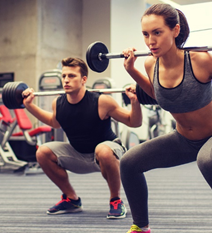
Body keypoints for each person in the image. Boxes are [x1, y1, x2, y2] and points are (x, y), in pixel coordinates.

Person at [110, 4, 212, 233]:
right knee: (129, 162)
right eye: (146, 34)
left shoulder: (201, 60)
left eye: (157, 33)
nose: (150, 41)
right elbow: (158, 96)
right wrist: (131, 70)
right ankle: (141, 230)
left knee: (209, 161)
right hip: (184, 139)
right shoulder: (151, 64)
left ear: (175, 30)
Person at [21, 57, 142, 219]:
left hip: (108, 153)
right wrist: (29, 106)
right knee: (42, 152)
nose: (66, 80)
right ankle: (71, 199)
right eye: (64, 76)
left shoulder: (102, 101)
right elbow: (54, 122)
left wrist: (135, 102)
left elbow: (134, 122)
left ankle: (116, 200)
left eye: (71, 76)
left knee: (103, 150)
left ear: (84, 79)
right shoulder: (58, 103)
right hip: (78, 154)